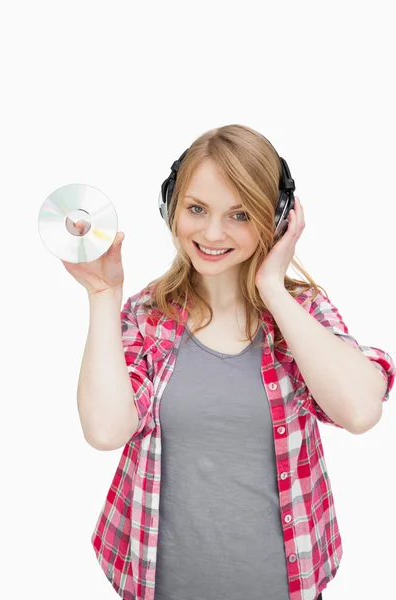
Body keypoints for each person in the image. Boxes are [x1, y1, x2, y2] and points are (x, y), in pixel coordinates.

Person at [65, 124, 395, 600]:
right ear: (171, 207)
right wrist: (102, 293)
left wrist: (273, 290)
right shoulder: (145, 315)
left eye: (240, 215)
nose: (212, 233)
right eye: (196, 208)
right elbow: (104, 430)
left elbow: (361, 411)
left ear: (277, 218)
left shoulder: (301, 315)